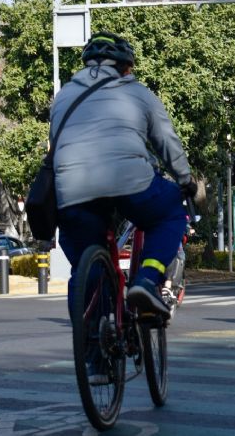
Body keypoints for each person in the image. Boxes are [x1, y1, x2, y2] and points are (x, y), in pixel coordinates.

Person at [51, 31, 196, 330]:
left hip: (72, 190)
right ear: (125, 67)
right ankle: (146, 279)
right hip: (131, 183)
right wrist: (186, 179)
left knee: (83, 265)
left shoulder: (63, 96)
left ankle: (93, 353)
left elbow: (56, 146)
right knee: (171, 214)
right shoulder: (139, 93)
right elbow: (167, 143)